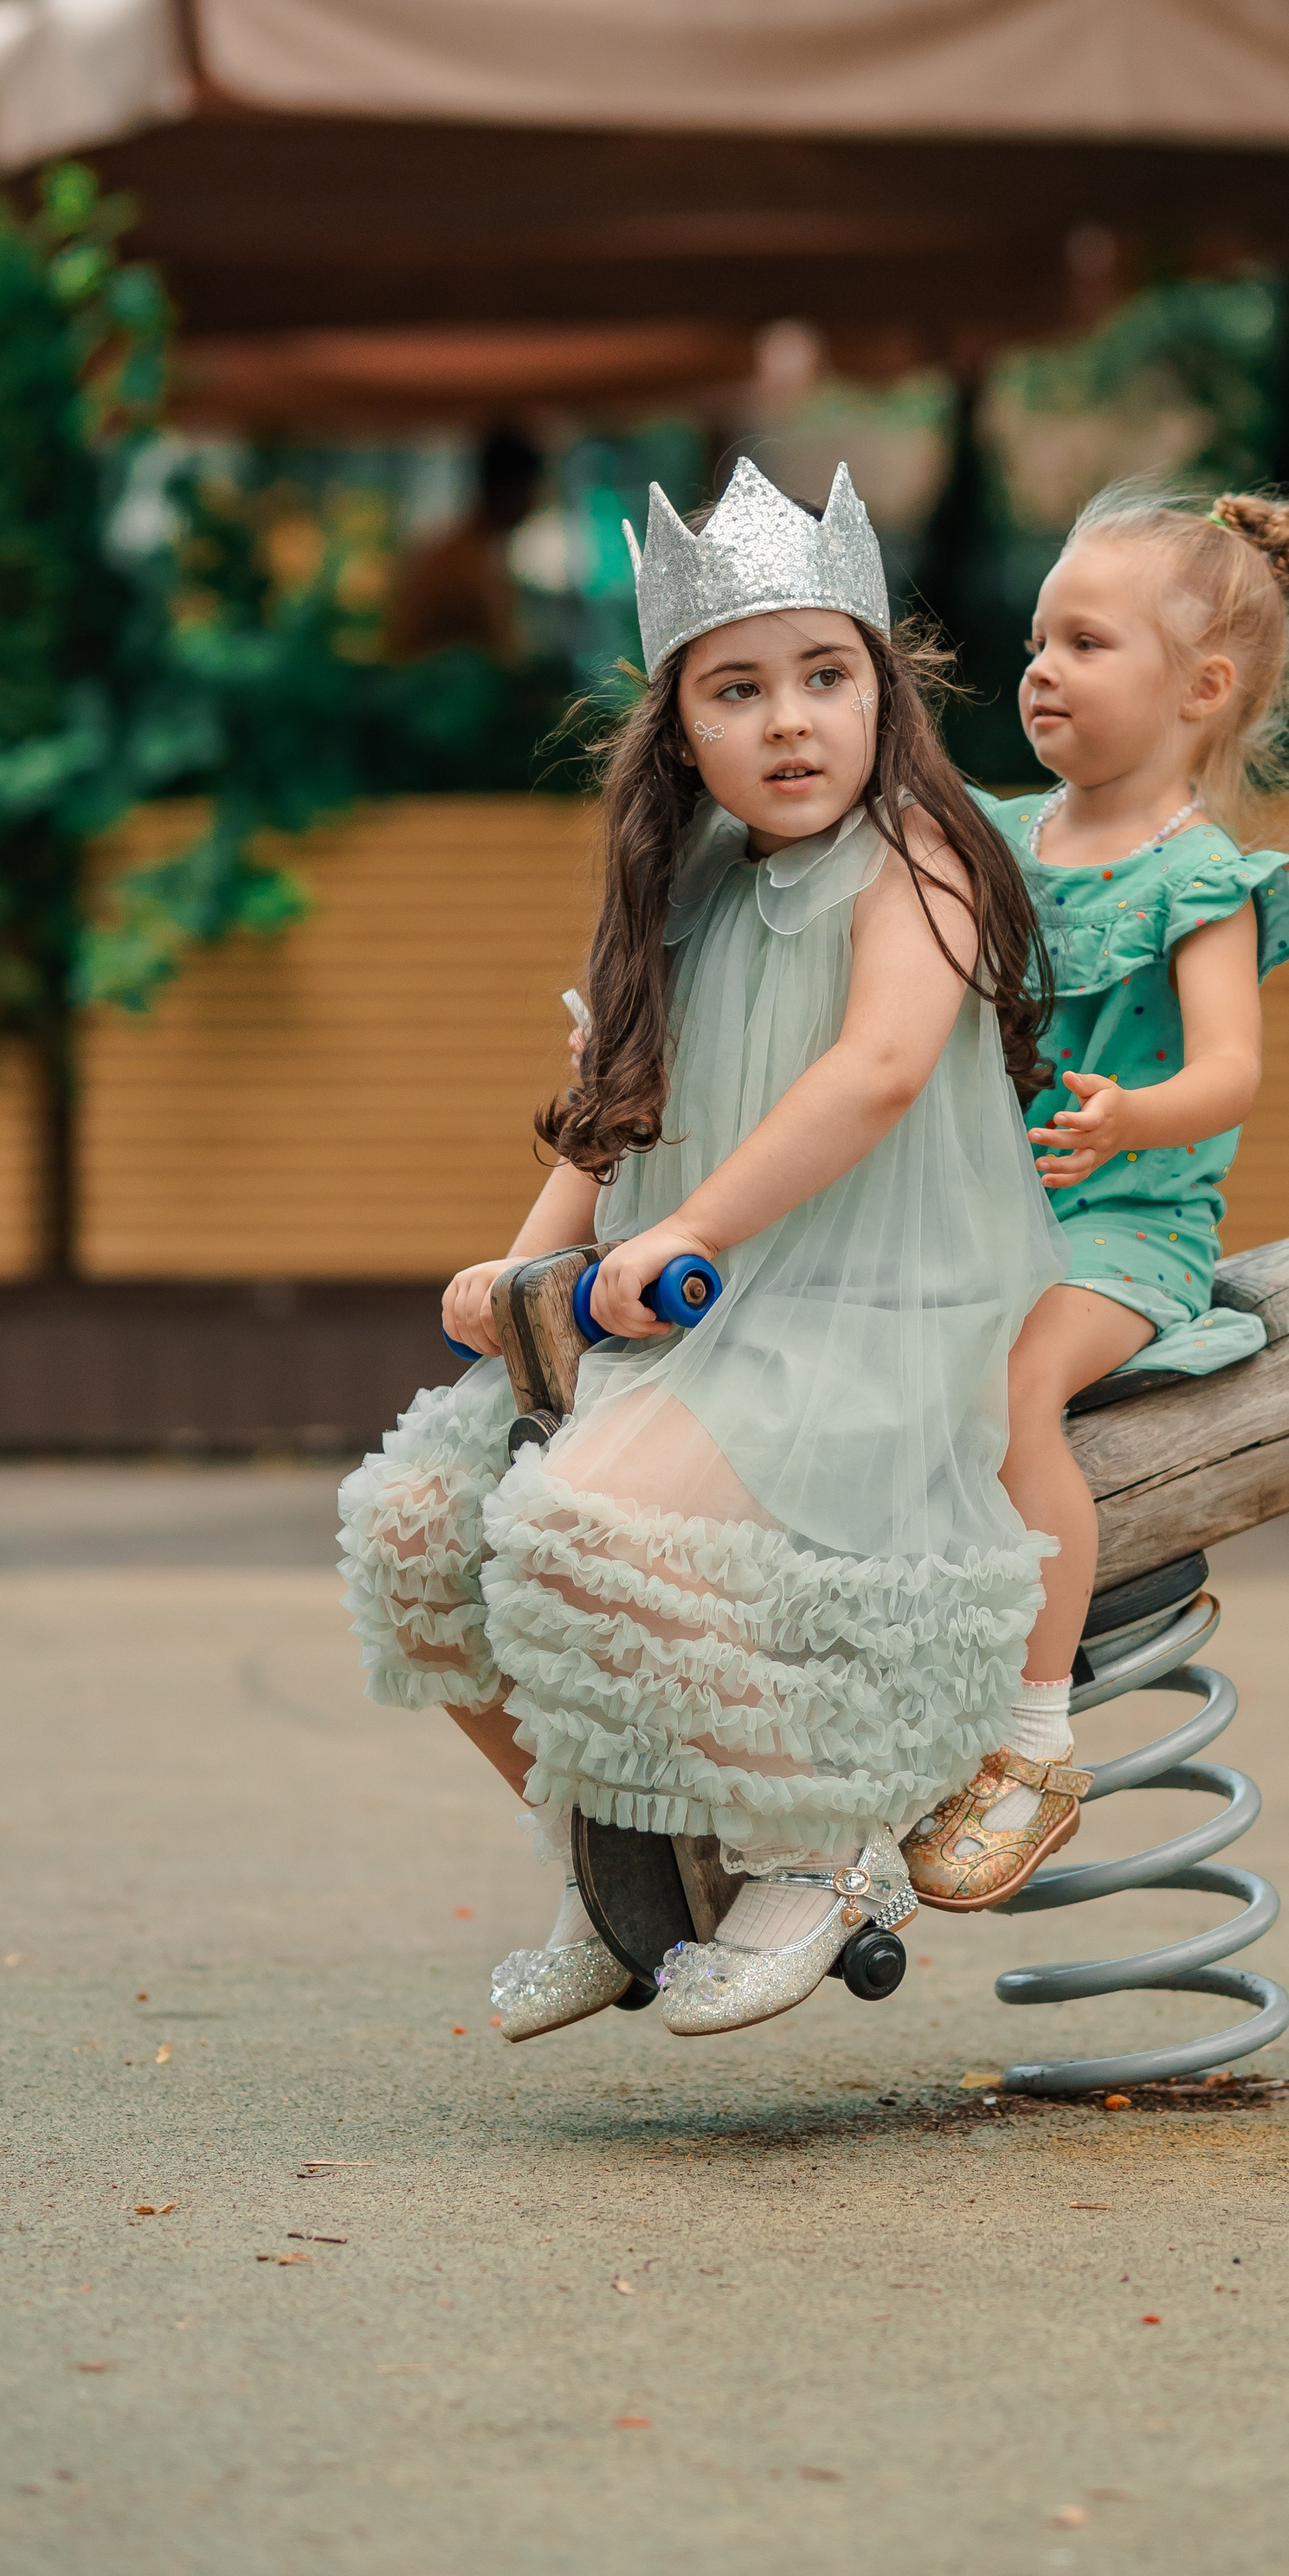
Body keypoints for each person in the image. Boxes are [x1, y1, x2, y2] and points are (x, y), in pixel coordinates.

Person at [338, 460, 1064, 2041]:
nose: (791, 720)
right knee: (412, 1528)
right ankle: (627, 1864)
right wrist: (520, 1274)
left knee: (584, 1515)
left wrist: (678, 1234)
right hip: (688, 1289)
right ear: (683, 731)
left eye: (826, 675)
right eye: (739, 690)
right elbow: (618, 1115)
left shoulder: (920, 856)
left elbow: (873, 1071)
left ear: (886, 690)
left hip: (867, 1298)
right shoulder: (690, 885)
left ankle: (817, 1840)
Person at [900, 485, 1289, 1912]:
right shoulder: (1007, 838)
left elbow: (1231, 1072)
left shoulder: (1201, 877)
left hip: (1128, 1225)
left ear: (1201, 688)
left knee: (1016, 1388)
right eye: (1038, 638)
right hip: (998, 1207)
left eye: (1085, 641)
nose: (1040, 668)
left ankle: (1032, 1740)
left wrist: (1134, 1111)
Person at [382, 425, 543, 663]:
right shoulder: (464, 564)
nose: (534, 504)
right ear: (508, 490)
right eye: (531, 490)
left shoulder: (466, 553)